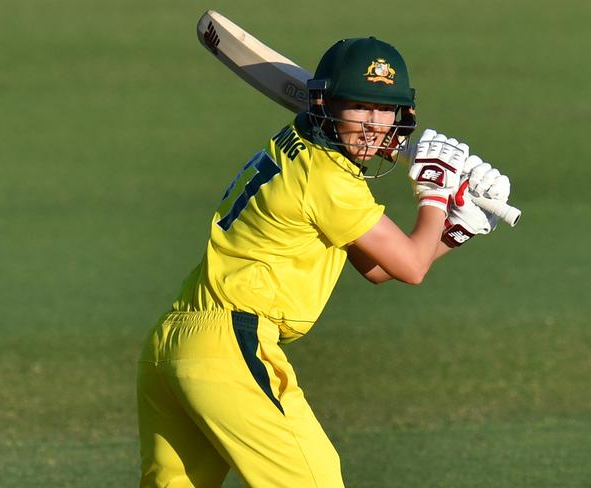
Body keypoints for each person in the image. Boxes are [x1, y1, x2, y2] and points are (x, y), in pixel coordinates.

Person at [137, 37, 511, 487]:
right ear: (326, 104)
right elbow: (412, 268)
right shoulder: (331, 181)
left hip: (173, 344)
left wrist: (458, 225)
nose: (375, 126)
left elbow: (378, 267)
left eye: (385, 110)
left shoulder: (299, 146)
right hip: (228, 348)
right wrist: (434, 189)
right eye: (360, 108)